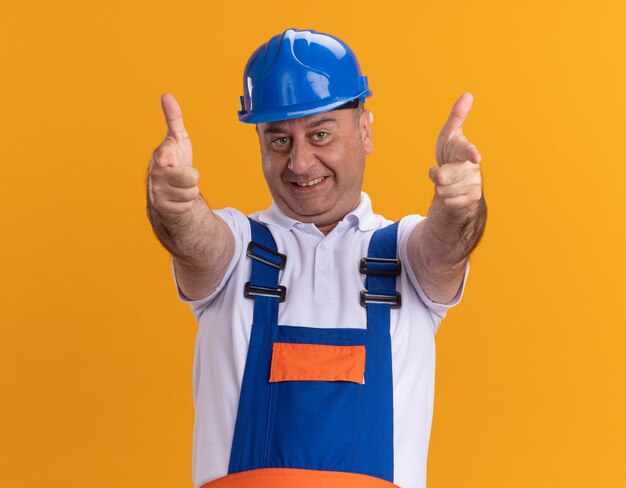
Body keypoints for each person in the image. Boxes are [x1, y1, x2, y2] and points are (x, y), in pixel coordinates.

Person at [147, 28, 486, 488]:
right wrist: (176, 206)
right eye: (279, 140)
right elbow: (194, 240)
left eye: (320, 134)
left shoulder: (405, 252)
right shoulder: (237, 246)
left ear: (364, 131)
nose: (300, 163)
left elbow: (448, 246)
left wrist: (460, 206)